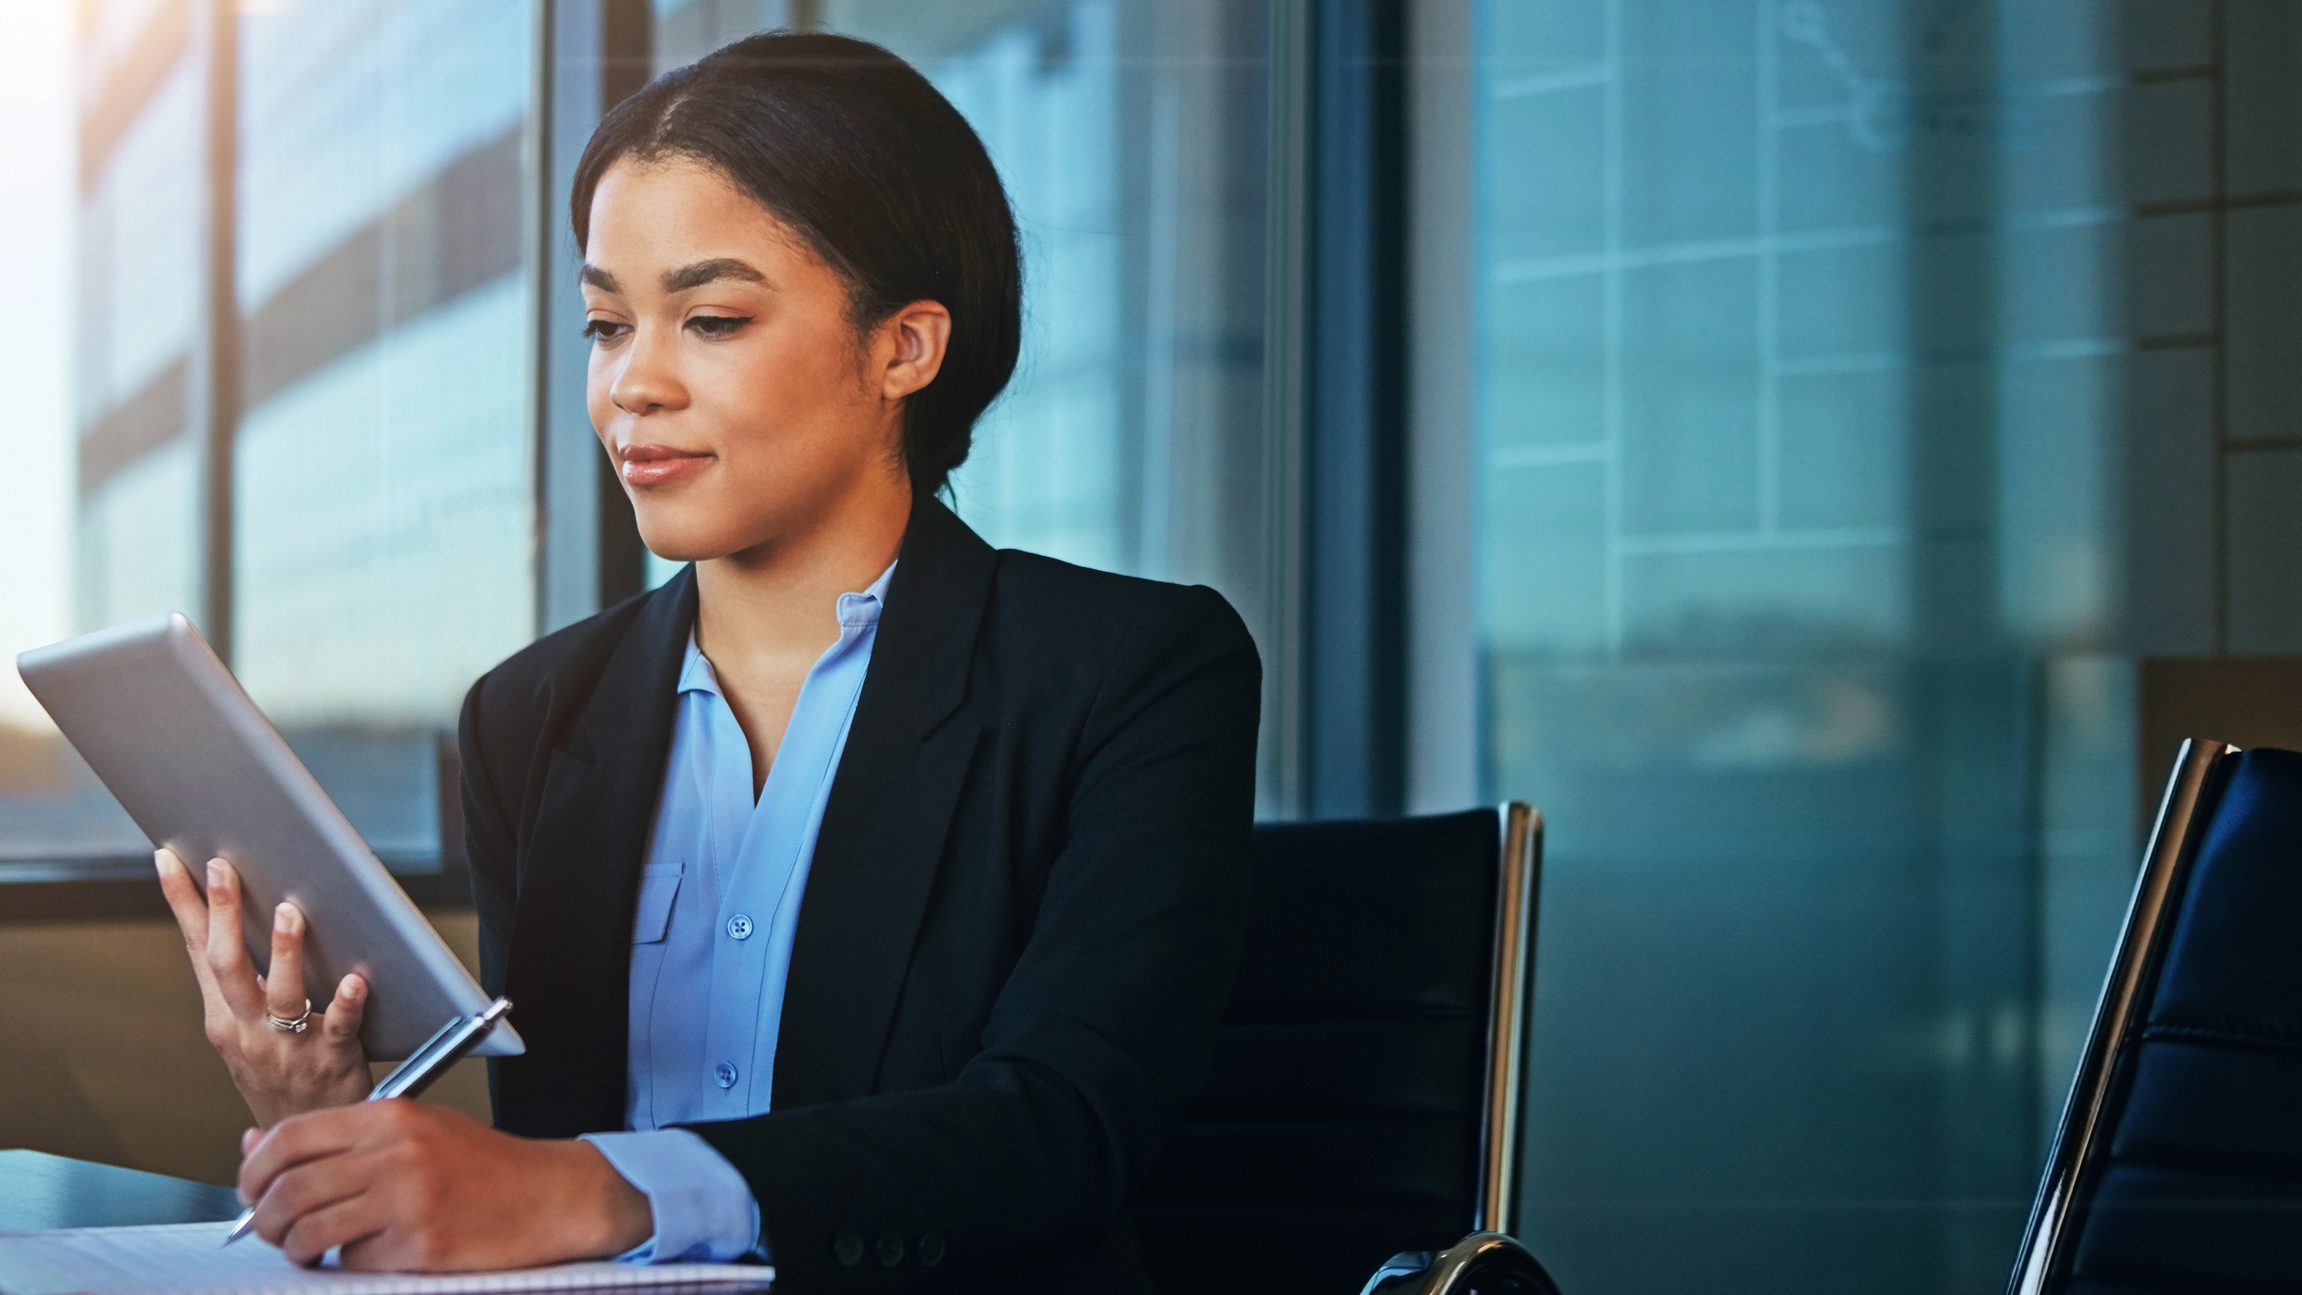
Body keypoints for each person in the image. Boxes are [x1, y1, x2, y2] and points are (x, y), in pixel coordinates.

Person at [154, 29, 1260, 1292]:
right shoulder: (531, 715)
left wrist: (598, 1183)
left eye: (712, 318)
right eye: (607, 324)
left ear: (904, 347)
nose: (634, 384)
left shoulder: (1133, 672)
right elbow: (538, 1171)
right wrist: (328, 1110)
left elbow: (1062, 1130)